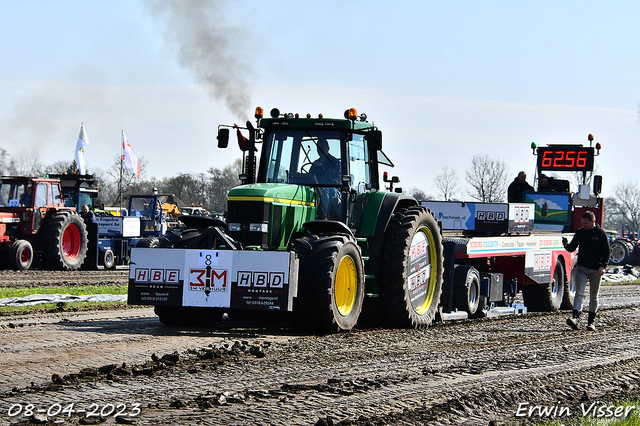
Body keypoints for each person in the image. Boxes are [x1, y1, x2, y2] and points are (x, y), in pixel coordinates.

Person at [562, 211, 610, 331]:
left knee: (594, 296)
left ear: (593, 221)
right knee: (579, 293)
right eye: (582, 222)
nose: (583, 225)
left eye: (586, 223)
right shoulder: (580, 232)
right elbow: (572, 247)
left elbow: (607, 253)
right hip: (582, 268)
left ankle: (591, 322)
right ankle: (576, 319)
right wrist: (566, 245)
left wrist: (603, 267)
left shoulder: (601, 234)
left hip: (596, 270)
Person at [309, 137, 341, 219]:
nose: (321, 150)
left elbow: (339, 180)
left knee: (325, 189)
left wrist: (322, 168)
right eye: (319, 148)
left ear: (328, 148)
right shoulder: (315, 164)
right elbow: (309, 177)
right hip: (317, 190)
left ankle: (325, 216)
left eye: (323, 147)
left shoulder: (335, 163)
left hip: (334, 190)